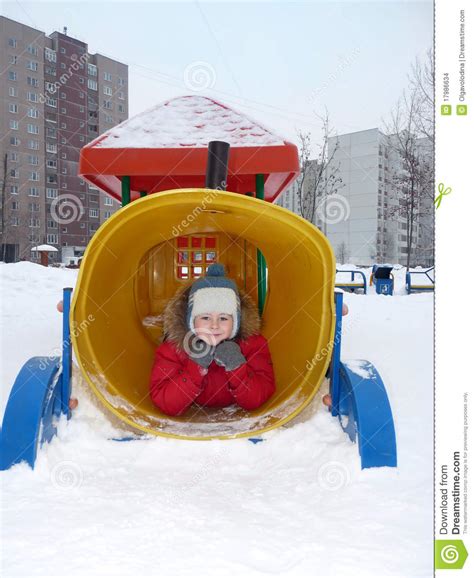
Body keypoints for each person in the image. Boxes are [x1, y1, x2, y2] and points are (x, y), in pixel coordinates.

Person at [149, 263, 276, 416]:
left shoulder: (253, 345)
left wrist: (237, 366)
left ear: (235, 322)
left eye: (223, 318)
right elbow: (165, 402)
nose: (214, 326)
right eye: (205, 317)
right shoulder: (175, 348)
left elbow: (259, 397)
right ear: (191, 321)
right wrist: (195, 368)